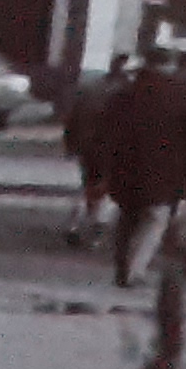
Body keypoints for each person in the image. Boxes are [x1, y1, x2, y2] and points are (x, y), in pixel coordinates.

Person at [99, 38, 186, 287]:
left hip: (125, 167)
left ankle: (122, 266)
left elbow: (106, 131)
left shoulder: (124, 94)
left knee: (127, 217)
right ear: (171, 65)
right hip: (166, 170)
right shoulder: (185, 95)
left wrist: (105, 164)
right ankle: (134, 271)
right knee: (155, 219)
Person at [59, 52, 129, 250]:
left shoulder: (92, 88)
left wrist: (71, 144)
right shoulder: (125, 93)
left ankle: (76, 222)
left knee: (88, 185)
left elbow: (74, 118)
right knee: (104, 187)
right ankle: (96, 225)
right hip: (110, 147)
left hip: (87, 146)